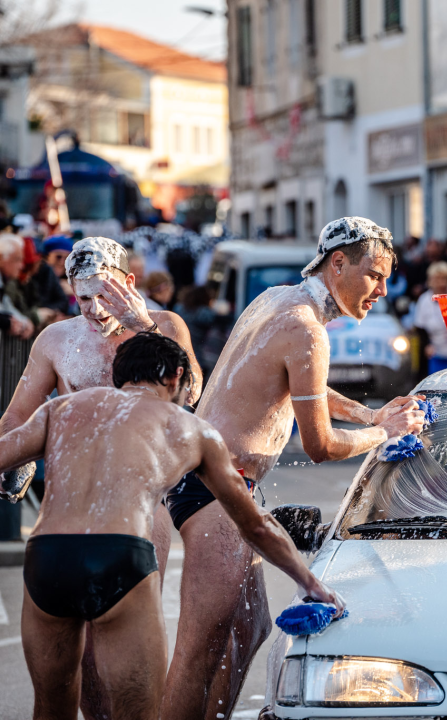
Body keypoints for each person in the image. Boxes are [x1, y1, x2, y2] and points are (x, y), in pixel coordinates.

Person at [162, 216, 425, 720]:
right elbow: (321, 445)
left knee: (251, 625)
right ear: (338, 263)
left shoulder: (281, 301)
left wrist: (370, 413)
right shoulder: (306, 328)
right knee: (198, 650)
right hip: (214, 489)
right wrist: (385, 433)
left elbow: (298, 383)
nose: (382, 290)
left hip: (216, 483)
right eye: (375, 275)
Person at [0, 332, 342, 720]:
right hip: (119, 556)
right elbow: (256, 525)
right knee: (137, 712)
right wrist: (311, 584)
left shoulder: (60, 409)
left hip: (48, 557)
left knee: (49, 709)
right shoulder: (190, 429)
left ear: (119, 375)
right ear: (177, 376)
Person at [415, 261, 447, 374]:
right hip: (437, 353)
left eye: (443, 278)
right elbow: (420, 328)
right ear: (430, 280)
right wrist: (427, 346)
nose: (440, 283)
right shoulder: (424, 300)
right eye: (436, 279)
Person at [0, 234, 34, 338]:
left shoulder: (4, 281)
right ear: (1, 258)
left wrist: (24, 323)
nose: (21, 266)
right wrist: (8, 323)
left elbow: (6, 306)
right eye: (17, 259)